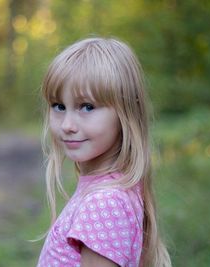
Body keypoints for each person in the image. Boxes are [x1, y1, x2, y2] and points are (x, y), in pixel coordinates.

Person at [36, 37, 171, 267]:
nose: (67, 124)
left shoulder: (104, 203)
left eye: (87, 107)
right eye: (59, 106)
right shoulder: (108, 191)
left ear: (125, 111)